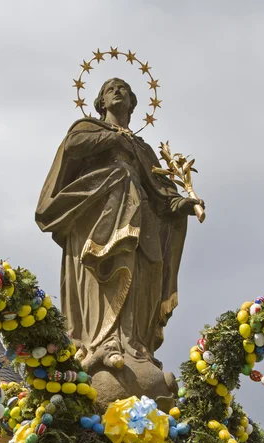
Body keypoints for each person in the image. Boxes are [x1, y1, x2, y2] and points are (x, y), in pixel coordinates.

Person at [36, 78, 204, 371]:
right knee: (109, 265)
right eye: (110, 89)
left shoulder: (141, 147)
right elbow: (73, 146)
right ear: (101, 102)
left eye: (123, 89)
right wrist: (113, 138)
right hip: (97, 209)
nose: (117, 92)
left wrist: (181, 204)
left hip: (139, 215)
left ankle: (135, 344)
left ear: (133, 102)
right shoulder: (87, 127)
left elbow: (160, 192)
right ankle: (103, 341)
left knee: (145, 272)